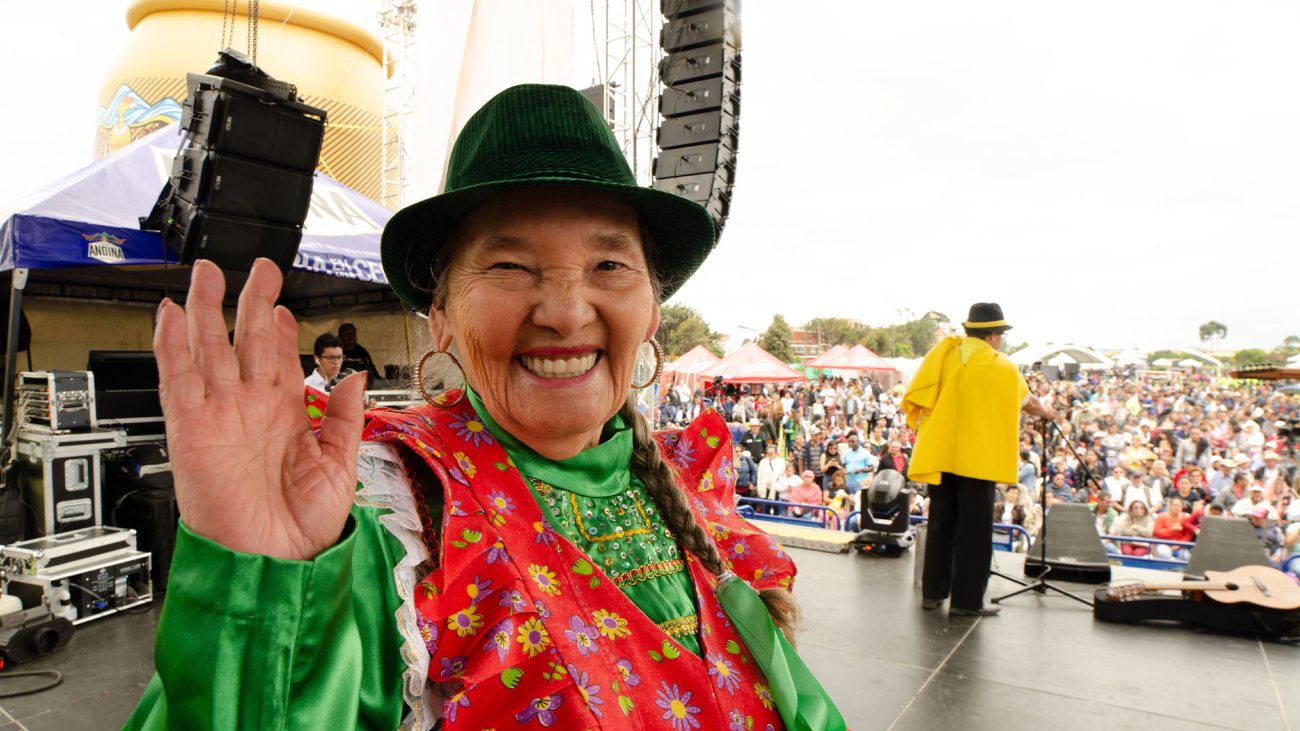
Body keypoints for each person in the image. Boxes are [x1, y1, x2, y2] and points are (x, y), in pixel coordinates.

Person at [126, 84, 843, 730]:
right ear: (440, 317)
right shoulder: (388, 507)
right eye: (509, 266)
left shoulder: (691, 484)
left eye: (609, 265)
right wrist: (258, 600)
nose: (565, 312)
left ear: (651, 308)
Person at [903, 303, 1055, 616]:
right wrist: (1048, 413)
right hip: (978, 461)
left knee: (941, 524)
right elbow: (1028, 402)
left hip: (942, 455)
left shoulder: (944, 356)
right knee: (974, 532)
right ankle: (966, 601)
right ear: (994, 336)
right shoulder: (1002, 366)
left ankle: (932, 594)